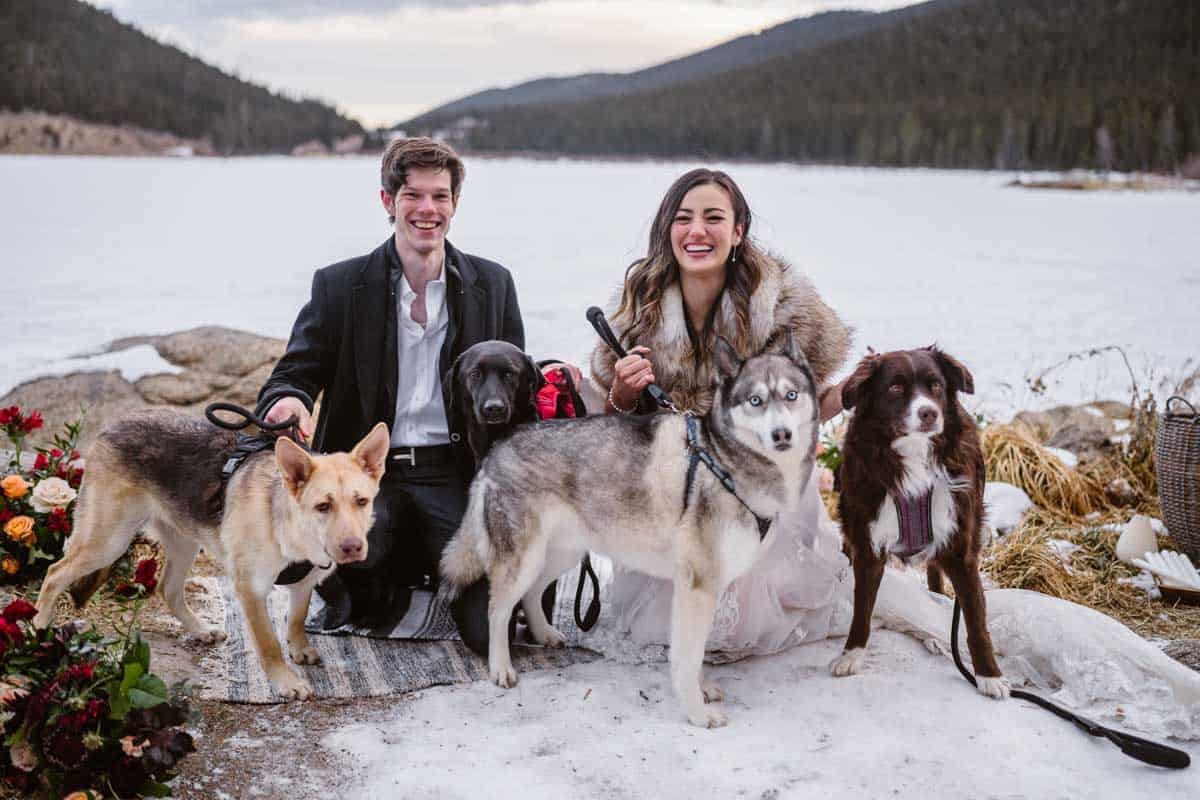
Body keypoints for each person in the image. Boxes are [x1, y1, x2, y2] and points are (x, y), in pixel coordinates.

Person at [256, 137, 569, 655]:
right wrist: (286, 402)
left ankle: (434, 575)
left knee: (486, 622)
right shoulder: (339, 286)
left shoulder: (494, 284)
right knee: (359, 576)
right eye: (413, 196)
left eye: (440, 197)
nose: (428, 210)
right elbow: (296, 371)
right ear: (387, 202)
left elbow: (515, 392)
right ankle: (398, 578)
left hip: (454, 474)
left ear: (454, 204)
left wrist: (555, 382)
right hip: (364, 478)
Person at [585, 167, 857, 658]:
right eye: (684, 218)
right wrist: (624, 393)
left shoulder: (783, 308)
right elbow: (615, 430)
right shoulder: (636, 309)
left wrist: (846, 395)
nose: (697, 231)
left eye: (714, 218)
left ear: (738, 231)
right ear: (667, 230)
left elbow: (798, 414)